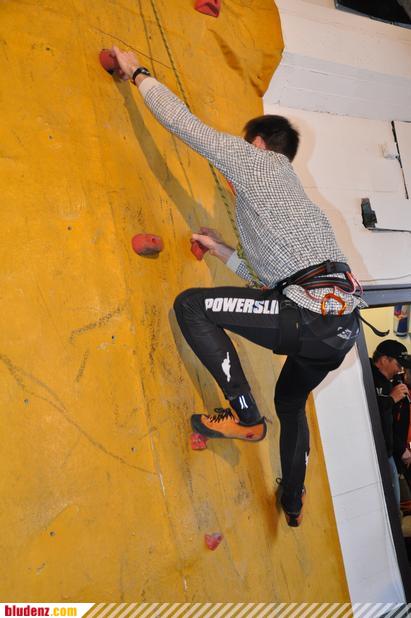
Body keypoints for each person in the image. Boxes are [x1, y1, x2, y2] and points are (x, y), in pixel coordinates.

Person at [111, 46, 363, 526]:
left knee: (192, 306)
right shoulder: (289, 205)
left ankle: (246, 417)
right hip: (338, 331)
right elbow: (266, 279)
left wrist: (139, 73)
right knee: (291, 402)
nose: (232, 176)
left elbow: (188, 127)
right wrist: (221, 249)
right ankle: (293, 500)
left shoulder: (261, 165)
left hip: (309, 315)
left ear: (259, 144)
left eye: (245, 149)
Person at [370, 340, 409, 507]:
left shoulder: (391, 382)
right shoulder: (366, 375)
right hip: (373, 453)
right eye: (398, 365)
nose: (399, 370)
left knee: (394, 504)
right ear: (384, 359)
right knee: (391, 506)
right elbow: (366, 410)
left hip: (388, 451)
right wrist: (391, 399)